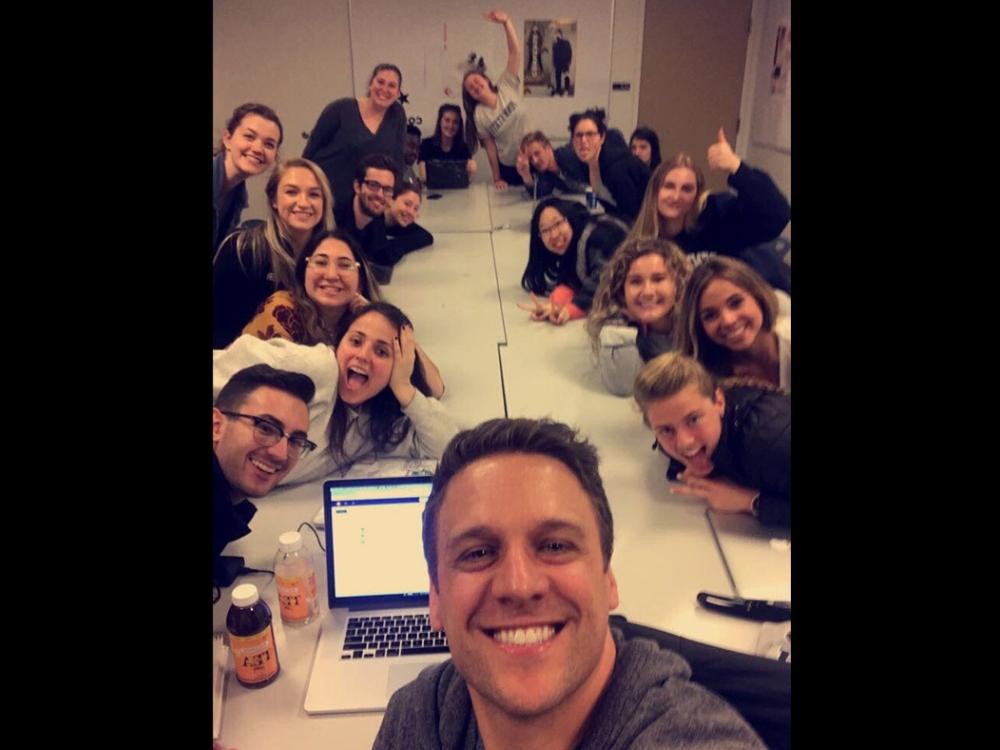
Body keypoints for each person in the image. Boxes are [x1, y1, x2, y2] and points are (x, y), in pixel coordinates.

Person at [374, 417, 766, 749]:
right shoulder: (418, 717)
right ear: (436, 598)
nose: (519, 585)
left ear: (609, 579)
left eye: (556, 545)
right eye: (477, 553)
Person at [214, 302, 455, 484]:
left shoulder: (377, 423)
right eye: (356, 341)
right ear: (339, 343)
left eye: (382, 352)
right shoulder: (316, 367)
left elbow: (446, 447)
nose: (362, 355)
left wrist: (404, 388)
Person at [625, 128, 791, 293]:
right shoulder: (639, 243)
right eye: (669, 186)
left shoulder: (715, 219)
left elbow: (777, 213)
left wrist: (735, 166)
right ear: (655, 192)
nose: (676, 196)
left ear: (697, 195)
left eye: (687, 189)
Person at [633, 353, 790, 528]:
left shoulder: (768, 445)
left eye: (693, 419)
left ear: (719, 402)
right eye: (666, 430)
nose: (685, 442)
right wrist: (697, 463)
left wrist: (748, 501)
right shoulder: (682, 421)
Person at [213, 158, 335, 349]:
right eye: (291, 192)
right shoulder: (243, 250)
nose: (303, 203)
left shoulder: (331, 264)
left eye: (314, 194)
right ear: (274, 200)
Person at [213, 364, 316, 585]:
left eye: (296, 441)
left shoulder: (225, 503)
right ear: (216, 426)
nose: (281, 454)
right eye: (265, 428)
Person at [586, 237, 692, 396]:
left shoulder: (694, 323)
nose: (648, 292)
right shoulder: (615, 327)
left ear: (678, 284)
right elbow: (623, 386)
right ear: (621, 290)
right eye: (636, 281)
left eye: (658, 279)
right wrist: (620, 325)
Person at [241, 229, 382, 345]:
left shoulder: (361, 320)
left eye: (345, 265)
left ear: (360, 282)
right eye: (320, 262)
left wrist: (372, 322)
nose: (331, 275)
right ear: (304, 274)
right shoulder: (281, 309)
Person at [677, 255, 791, 391]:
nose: (728, 321)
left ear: (758, 297)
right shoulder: (703, 381)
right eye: (710, 315)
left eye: (736, 303)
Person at [303, 63, 407, 210]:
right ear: (370, 84)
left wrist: (393, 196)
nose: (384, 89)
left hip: (367, 204)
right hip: (326, 198)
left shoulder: (397, 115)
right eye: (380, 82)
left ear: (398, 93)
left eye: (391, 85)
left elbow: (397, 161)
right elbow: (310, 152)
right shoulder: (341, 109)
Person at [518, 198, 629, 325]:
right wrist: (553, 305)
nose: (554, 234)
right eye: (545, 230)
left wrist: (570, 310)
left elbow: (604, 284)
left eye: (558, 223)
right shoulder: (575, 242)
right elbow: (571, 279)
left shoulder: (600, 237)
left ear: (570, 218)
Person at [462, 9, 530, 191]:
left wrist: (506, 22)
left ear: (485, 79)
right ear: (471, 95)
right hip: (509, 167)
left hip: (533, 158)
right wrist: (497, 177)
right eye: (470, 88)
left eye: (476, 81)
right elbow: (490, 147)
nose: (475, 86)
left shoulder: (505, 86)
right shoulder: (479, 115)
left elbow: (515, 53)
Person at [552, 108, 650, 220]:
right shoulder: (586, 164)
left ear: (602, 138)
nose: (583, 140)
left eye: (590, 134)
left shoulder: (617, 167)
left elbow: (631, 213)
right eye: (578, 135)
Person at [213, 103, 283, 253]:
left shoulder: (238, 197)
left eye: (269, 144)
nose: (258, 149)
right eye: (249, 137)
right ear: (227, 139)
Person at [333, 153, 400, 280]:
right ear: (357, 187)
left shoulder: (377, 218)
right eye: (373, 185)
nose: (380, 195)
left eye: (387, 189)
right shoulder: (333, 221)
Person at [418, 104, 477, 181]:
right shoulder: (426, 145)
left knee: (473, 165)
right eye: (447, 120)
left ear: (459, 125)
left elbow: (466, 180)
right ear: (440, 121)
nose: (451, 125)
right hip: (433, 191)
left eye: (455, 122)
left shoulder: (463, 148)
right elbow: (423, 178)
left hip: (457, 191)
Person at [516, 130, 582, 198]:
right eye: (530, 158)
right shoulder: (546, 173)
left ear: (548, 148)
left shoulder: (569, 155)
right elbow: (540, 193)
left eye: (537, 153)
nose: (535, 161)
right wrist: (526, 175)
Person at [384, 183, 434, 258]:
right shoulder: (372, 221)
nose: (411, 212)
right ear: (391, 200)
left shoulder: (396, 222)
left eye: (415, 209)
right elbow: (383, 255)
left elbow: (426, 237)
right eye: (407, 204)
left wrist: (392, 245)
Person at [402, 124, 423, 189]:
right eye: (411, 146)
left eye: (418, 148)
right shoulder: (387, 174)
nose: (415, 152)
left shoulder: (408, 170)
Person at [552, 28, 572, 95]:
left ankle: (567, 89)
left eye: (558, 33)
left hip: (565, 63)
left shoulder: (566, 42)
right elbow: (554, 54)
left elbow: (570, 52)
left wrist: (569, 61)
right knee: (558, 77)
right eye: (556, 34)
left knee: (566, 76)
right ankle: (558, 90)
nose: (556, 35)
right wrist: (554, 63)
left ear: (560, 34)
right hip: (557, 64)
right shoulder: (555, 44)